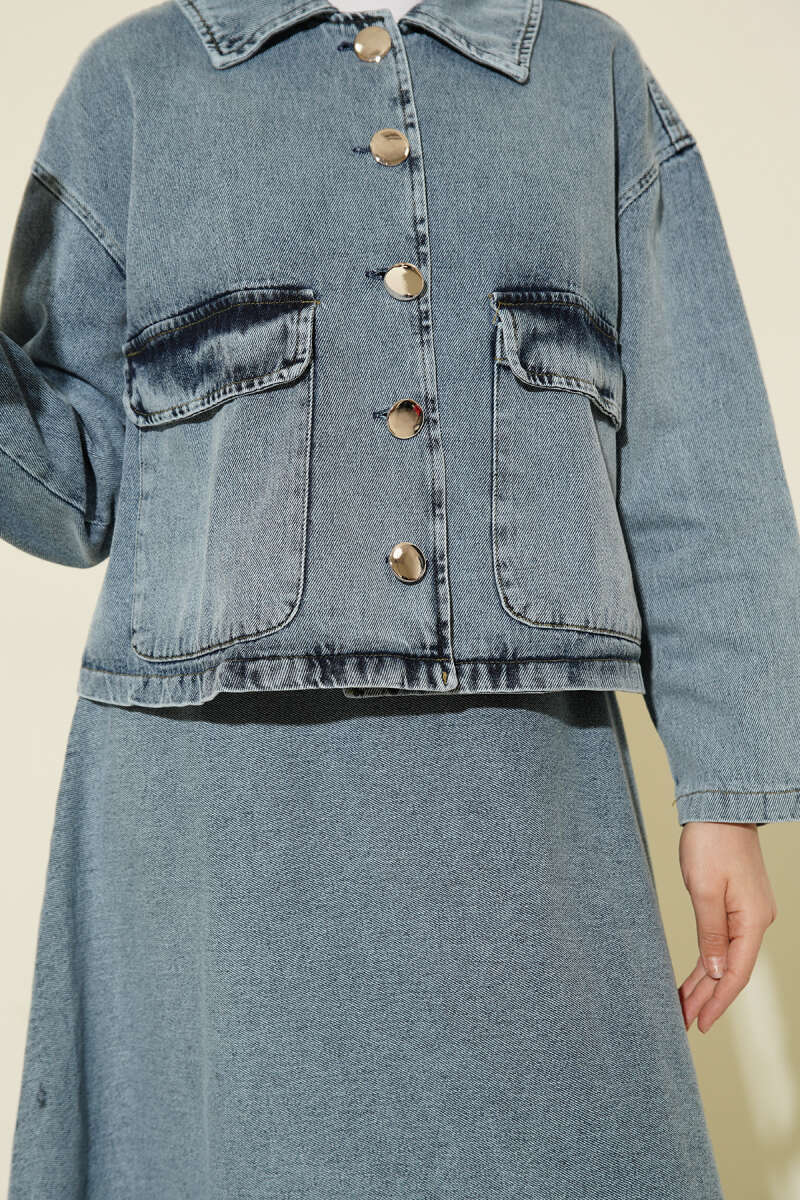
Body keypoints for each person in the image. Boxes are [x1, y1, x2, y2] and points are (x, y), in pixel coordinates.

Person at [2, 1, 798, 1196]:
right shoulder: (133, 84)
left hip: (519, 807)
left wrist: (723, 797)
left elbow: (695, 454)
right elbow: (72, 489)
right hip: (210, 826)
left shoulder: (587, 79)